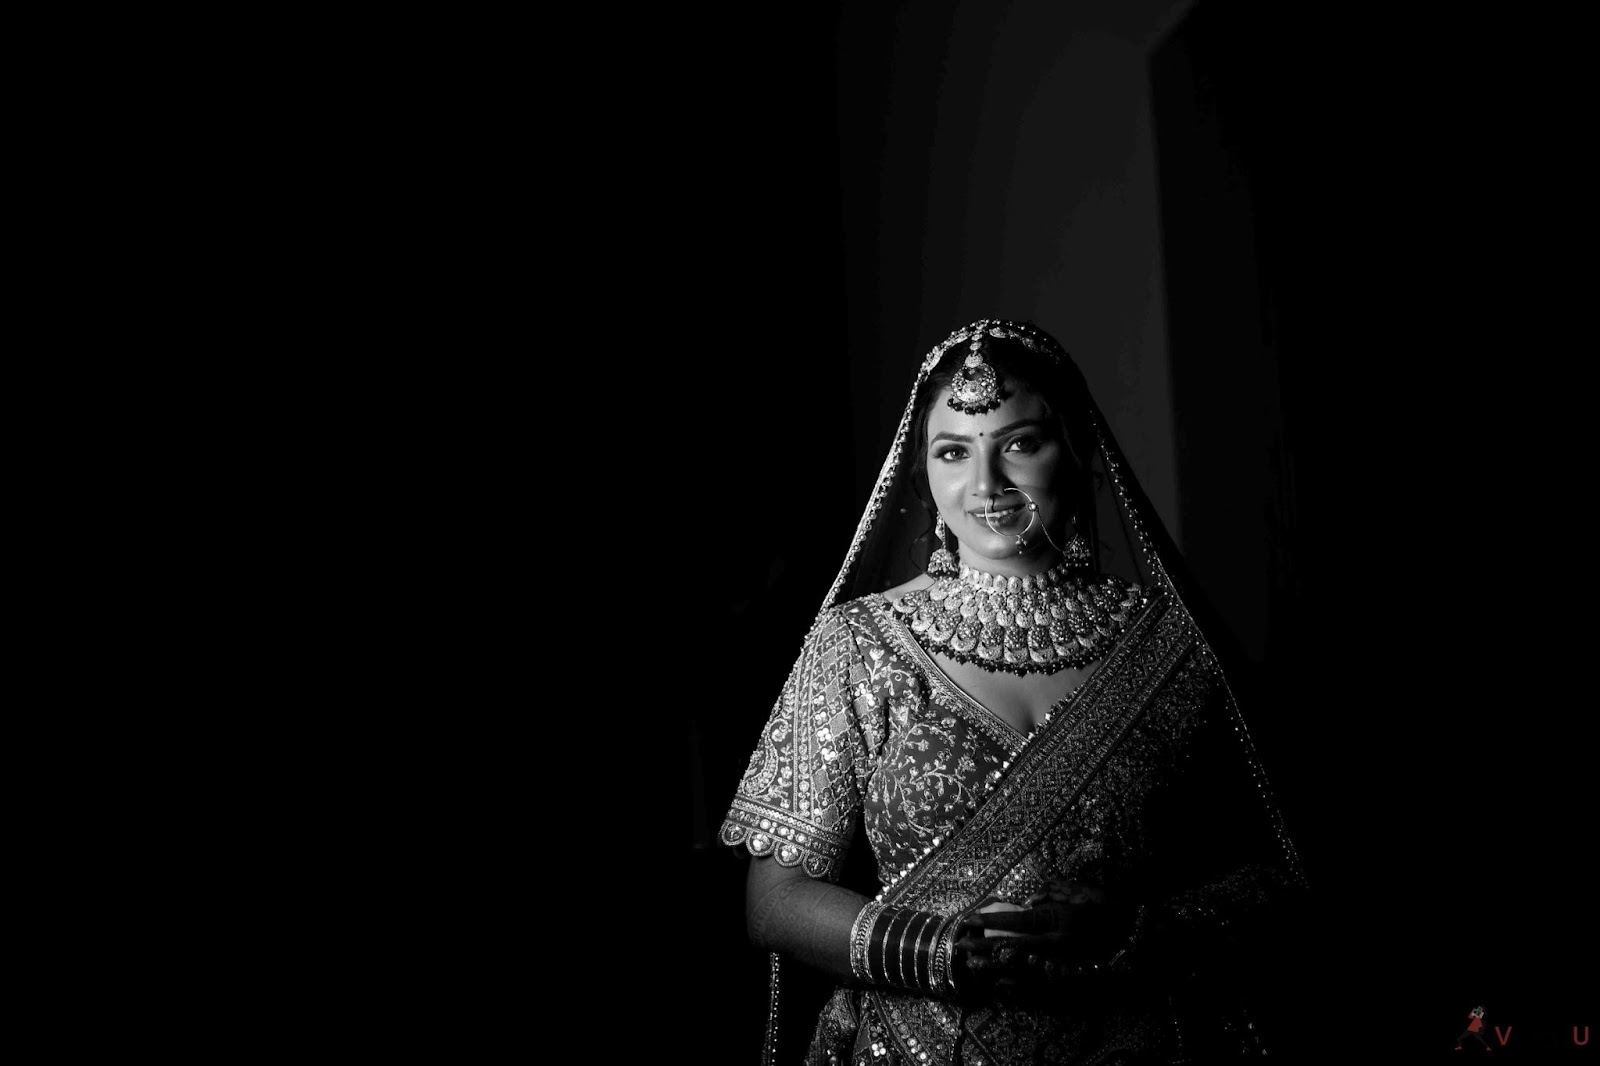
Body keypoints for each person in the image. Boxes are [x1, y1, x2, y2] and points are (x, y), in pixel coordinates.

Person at [720, 319, 1307, 1064]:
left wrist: (1139, 931)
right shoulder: (860, 643)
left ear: (1081, 450)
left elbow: (1279, 878)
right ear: (922, 471)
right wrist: (933, 953)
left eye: (1021, 444)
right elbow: (773, 904)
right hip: (912, 1047)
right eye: (954, 452)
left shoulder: (1171, 649)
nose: (986, 486)